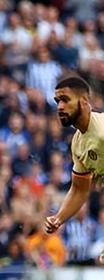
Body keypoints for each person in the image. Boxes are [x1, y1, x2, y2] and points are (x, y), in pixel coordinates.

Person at [45, 76, 104, 264]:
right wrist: (59, 218)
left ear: (85, 102)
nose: (59, 107)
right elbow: (79, 190)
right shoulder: (78, 143)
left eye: (65, 100)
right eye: (57, 101)